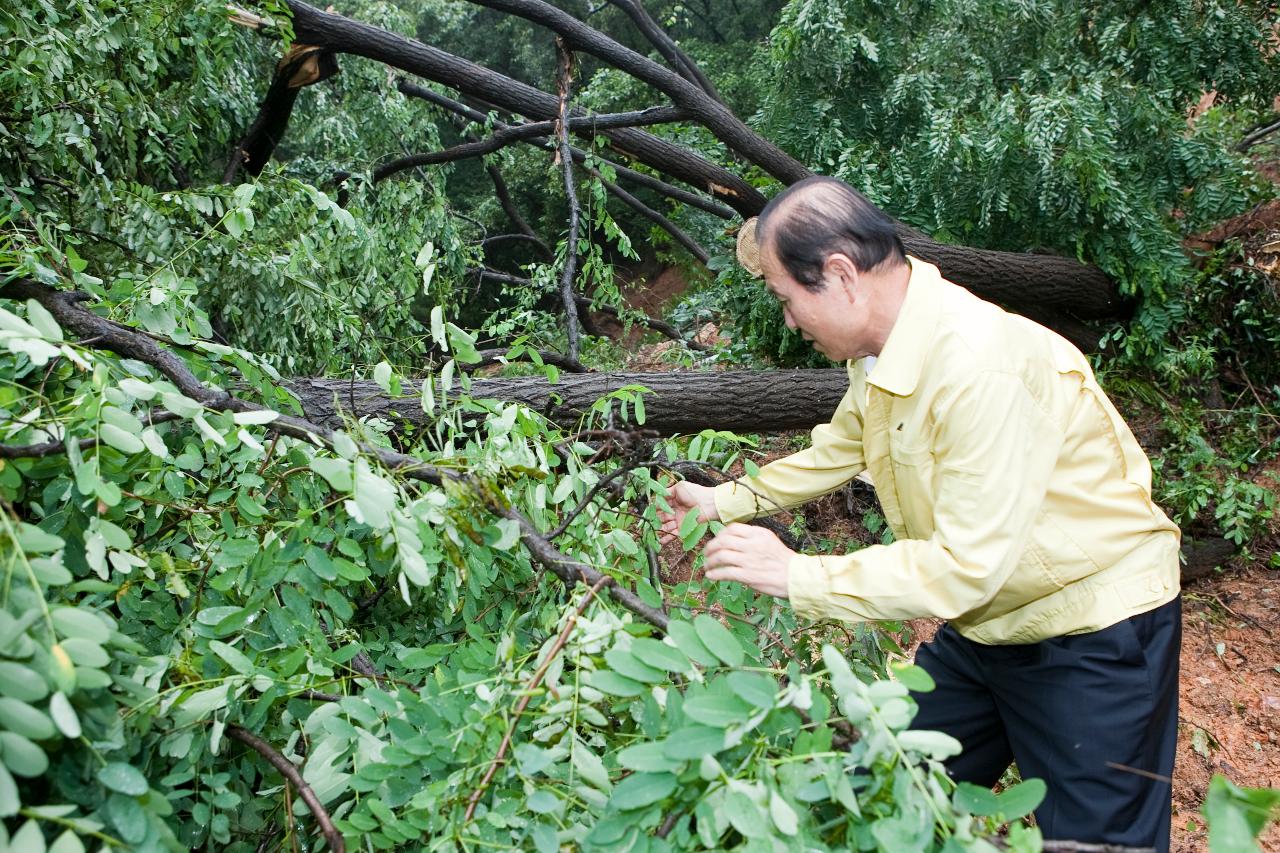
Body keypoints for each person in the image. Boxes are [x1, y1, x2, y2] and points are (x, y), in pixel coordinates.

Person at [659, 176, 1181, 850]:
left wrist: (799, 576)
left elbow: (964, 565)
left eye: (788, 300)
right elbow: (841, 446)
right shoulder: (886, 350)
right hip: (989, 624)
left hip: (1091, 630)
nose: (789, 320)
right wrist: (720, 500)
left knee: (1101, 846)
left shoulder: (976, 365)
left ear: (842, 275)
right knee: (875, 783)